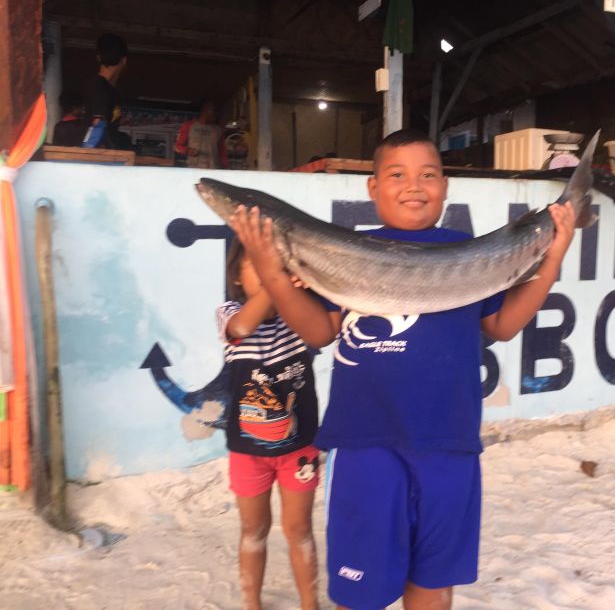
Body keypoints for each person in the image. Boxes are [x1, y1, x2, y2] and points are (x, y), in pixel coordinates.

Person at [229, 128, 577, 610]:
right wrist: (271, 270)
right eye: (397, 175)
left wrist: (553, 256)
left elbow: (503, 325)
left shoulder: (469, 251)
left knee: (433, 584)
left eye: (428, 175)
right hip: (364, 443)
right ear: (373, 188)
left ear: (446, 185)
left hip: (448, 443)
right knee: (361, 590)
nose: (414, 185)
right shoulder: (341, 252)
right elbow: (317, 332)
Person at [217, 239, 321, 610]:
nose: (269, 276)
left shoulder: (301, 315)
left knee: (299, 531)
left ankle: (310, 604)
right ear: (236, 277)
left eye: (277, 267)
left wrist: (298, 288)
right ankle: (252, 603)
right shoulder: (228, 313)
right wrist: (278, 281)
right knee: (253, 531)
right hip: (248, 453)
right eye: (258, 268)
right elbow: (243, 325)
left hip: (300, 449)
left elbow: (323, 329)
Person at [81, 33, 132, 150]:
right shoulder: (99, 86)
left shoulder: (103, 86)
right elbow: (97, 125)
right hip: (98, 158)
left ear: (98, 57)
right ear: (124, 60)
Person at [175, 99, 229, 169]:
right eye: (213, 110)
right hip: (194, 167)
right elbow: (177, 146)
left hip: (214, 167)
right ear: (206, 110)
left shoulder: (218, 129)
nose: (216, 114)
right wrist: (187, 150)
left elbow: (222, 151)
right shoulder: (189, 126)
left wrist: (225, 168)